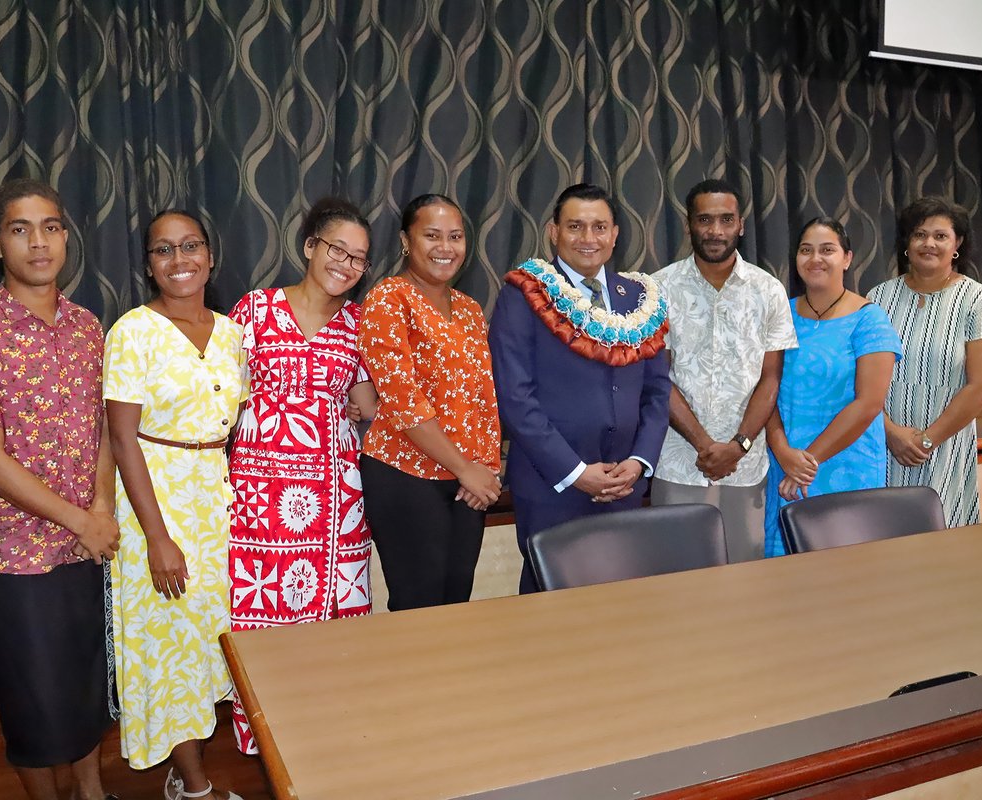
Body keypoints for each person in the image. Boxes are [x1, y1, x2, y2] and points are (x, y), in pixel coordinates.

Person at [0, 178, 118, 800]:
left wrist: (99, 510)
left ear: (66, 236)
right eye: (20, 230)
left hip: (88, 542)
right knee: (32, 697)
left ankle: (92, 791)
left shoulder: (91, 327)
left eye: (50, 227)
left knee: (87, 682)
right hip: (21, 555)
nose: (37, 242)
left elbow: (104, 432)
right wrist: (79, 519)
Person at [104, 209, 246, 800]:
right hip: (153, 503)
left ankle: (183, 763)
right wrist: (157, 536)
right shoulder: (131, 332)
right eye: (164, 250)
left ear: (211, 257)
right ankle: (196, 787)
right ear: (148, 265)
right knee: (171, 647)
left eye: (191, 247)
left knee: (208, 638)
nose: (179, 260)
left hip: (214, 498)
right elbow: (121, 439)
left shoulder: (232, 332)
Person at [227, 198, 377, 753]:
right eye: (338, 249)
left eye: (359, 259)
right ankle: (270, 737)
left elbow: (365, 403)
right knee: (264, 612)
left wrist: (366, 408)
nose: (346, 264)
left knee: (335, 615)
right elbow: (223, 393)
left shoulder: (359, 325)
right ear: (310, 245)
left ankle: (330, 729)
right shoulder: (255, 310)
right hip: (262, 492)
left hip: (337, 497)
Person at [490, 182, 672, 594]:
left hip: (624, 484)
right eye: (576, 226)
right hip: (552, 484)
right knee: (551, 607)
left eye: (599, 227)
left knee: (622, 605)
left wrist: (640, 462)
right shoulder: (523, 295)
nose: (588, 239)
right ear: (554, 232)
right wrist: (575, 473)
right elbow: (516, 398)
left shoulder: (640, 299)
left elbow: (658, 392)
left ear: (615, 234)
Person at [358, 193, 501, 610]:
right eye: (432, 235)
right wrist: (466, 469)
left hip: (466, 484)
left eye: (455, 236)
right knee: (418, 607)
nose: (446, 247)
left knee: (456, 601)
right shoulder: (389, 298)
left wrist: (485, 471)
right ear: (406, 240)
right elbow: (404, 402)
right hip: (405, 475)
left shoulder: (471, 309)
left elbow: (484, 400)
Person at [650, 179, 797, 563]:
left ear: (741, 225)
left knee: (744, 575)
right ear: (688, 225)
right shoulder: (657, 289)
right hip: (679, 461)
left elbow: (770, 378)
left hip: (745, 467)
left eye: (726, 220)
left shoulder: (768, 290)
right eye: (705, 220)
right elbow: (657, 379)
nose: (715, 231)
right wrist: (704, 445)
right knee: (678, 576)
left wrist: (739, 446)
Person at [762, 217, 902, 556]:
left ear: (847, 258)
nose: (815, 259)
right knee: (786, 572)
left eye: (827, 250)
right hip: (786, 462)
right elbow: (765, 389)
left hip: (846, 465)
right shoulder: (782, 313)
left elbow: (868, 403)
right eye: (806, 250)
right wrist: (783, 452)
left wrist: (808, 462)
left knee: (851, 573)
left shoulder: (869, 318)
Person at [866, 197, 982, 527]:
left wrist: (927, 440)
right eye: (919, 234)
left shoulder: (979, 301)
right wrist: (892, 434)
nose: (928, 243)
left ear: (957, 244)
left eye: (940, 236)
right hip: (884, 444)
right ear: (906, 244)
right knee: (884, 542)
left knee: (944, 544)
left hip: (947, 447)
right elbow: (863, 380)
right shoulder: (876, 299)